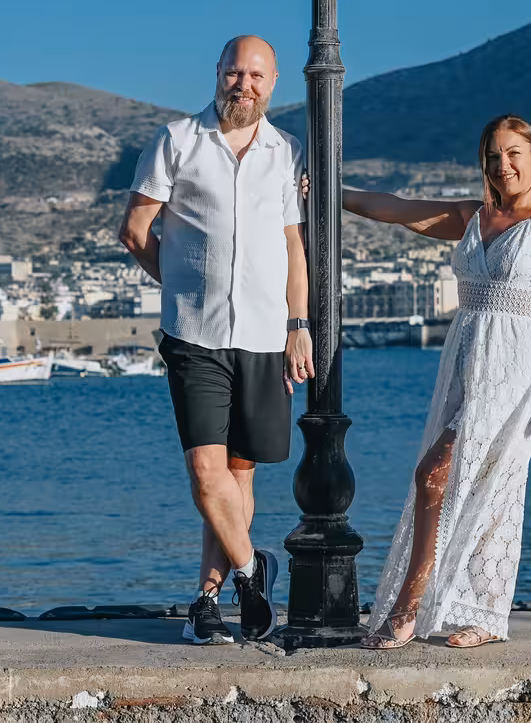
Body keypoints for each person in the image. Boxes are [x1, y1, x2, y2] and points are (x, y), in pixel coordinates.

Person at [340, 114, 531, 648]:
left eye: (514, 153)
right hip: (466, 366)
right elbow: (399, 211)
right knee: (470, 483)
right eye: (494, 156)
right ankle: (481, 615)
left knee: (450, 475)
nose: (504, 165)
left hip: (520, 371)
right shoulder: (475, 216)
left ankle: (411, 607)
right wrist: (335, 194)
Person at [119, 35, 313, 645]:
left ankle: (207, 598)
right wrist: (179, 283)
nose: (243, 85)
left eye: (256, 75)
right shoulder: (177, 142)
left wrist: (298, 325)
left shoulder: (287, 153)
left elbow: (292, 246)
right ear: (219, 74)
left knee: (238, 474)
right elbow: (134, 230)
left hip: (263, 335)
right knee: (207, 473)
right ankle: (255, 574)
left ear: (273, 82)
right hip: (195, 335)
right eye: (235, 73)